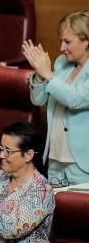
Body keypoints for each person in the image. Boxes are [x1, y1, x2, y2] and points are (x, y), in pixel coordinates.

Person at [24, 10, 89, 186]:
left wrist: (48, 74)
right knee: (56, 212)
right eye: (61, 41)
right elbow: (38, 99)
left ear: (86, 41)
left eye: (67, 42)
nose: (61, 48)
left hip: (83, 164)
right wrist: (39, 74)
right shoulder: (61, 63)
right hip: (55, 158)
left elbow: (75, 99)